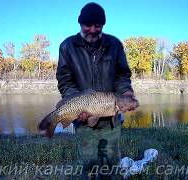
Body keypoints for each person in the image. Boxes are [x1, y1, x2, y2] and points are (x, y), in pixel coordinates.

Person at [56, 2, 138, 179]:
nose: (92, 29)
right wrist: (75, 104)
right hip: (83, 119)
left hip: (111, 121)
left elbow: (122, 76)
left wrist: (127, 93)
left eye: (97, 25)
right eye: (88, 25)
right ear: (80, 24)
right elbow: (65, 80)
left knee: (111, 164)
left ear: (103, 25)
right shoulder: (67, 46)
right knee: (88, 164)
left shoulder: (114, 45)